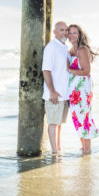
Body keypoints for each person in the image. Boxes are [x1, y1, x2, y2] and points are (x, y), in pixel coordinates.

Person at [67, 24, 99, 154]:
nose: (72, 35)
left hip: (82, 88)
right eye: (69, 33)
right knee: (77, 118)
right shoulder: (71, 50)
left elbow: (87, 71)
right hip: (73, 89)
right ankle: (84, 148)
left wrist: (70, 70)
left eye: (74, 33)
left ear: (80, 35)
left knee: (84, 117)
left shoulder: (82, 49)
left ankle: (87, 149)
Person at [42, 21, 70, 154]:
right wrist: (52, 91)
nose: (64, 32)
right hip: (54, 94)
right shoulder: (51, 47)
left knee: (59, 124)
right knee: (53, 123)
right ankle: (54, 152)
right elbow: (46, 70)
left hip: (64, 95)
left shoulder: (64, 47)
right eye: (61, 30)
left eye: (66, 30)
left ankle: (58, 148)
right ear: (54, 32)